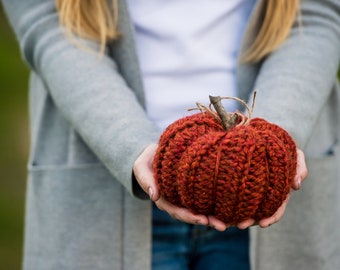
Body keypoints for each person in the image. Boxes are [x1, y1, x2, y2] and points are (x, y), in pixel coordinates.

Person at [1, 0, 339, 269]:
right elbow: (50, 25)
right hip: (103, 181)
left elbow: (317, 15)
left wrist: (270, 146)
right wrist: (130, 144)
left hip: (265, 188)